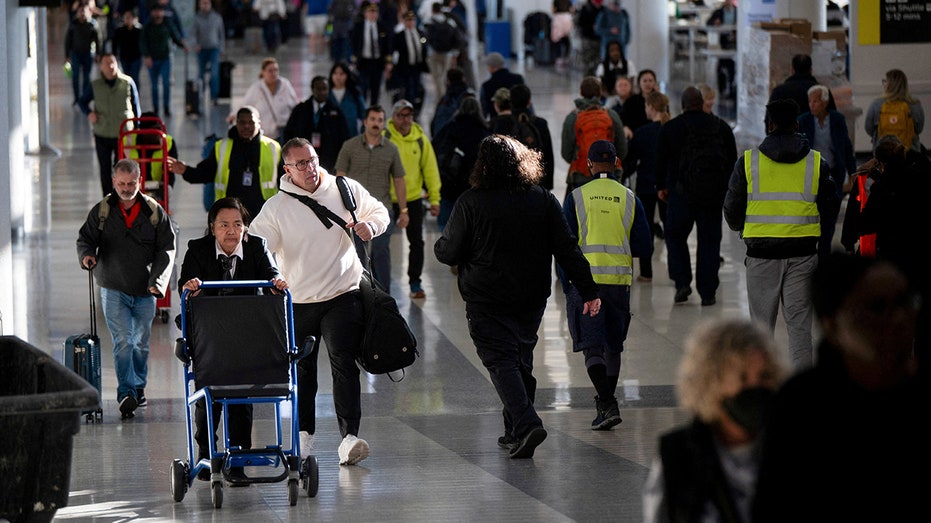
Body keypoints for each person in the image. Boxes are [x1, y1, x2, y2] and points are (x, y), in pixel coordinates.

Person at [434, 135, 601, 459]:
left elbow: (449, 252)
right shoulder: (541, 198)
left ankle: (526, 424)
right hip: (531, 296)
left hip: (486, 297)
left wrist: (442, 246)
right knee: (520, 357)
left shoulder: (471, 201)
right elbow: (566, 247)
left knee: (500, 360)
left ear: (482, 165)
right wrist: (589, 289)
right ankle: (513, 430)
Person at [752, 253, 930, 522]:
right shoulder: (800, 408)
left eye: (905, 303)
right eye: (877, 307)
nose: (898, 319)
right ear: (833, 323)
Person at [249, 137, 392, 466]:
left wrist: (371, 225)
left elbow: (379, 210)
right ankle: (304, 437)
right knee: (303, 371)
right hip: (298, 302)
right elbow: (257, 246)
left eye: (312, 159)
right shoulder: (276, 208)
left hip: (343, 294)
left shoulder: (343, 188)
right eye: (300, 164)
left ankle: (349, 438)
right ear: (287, 169)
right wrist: (269, 277)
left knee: (344, 365)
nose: (309, 168)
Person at [177, 197, 287, 481]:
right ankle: (205, 453)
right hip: (210, 338)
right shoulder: (198, 250)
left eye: (238, 224)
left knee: (242, 397)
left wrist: (276, 284)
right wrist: (191, 287)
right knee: (208, 397)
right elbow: (185, 284)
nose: (231, 231)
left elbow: (271, 274)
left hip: (245, 336)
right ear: (212, 228)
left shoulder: (257, 247)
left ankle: (238, 458)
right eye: (224, 225)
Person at [723, 98, 839, 369]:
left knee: (761, 328)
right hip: (803, 254)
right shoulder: (815, 162)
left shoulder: (749, 162)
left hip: (762, 255)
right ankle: (805, 391)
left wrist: (743, 228)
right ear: (797, 124)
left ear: (769, 125)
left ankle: (762, 387)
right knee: (800, 326)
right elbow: (831, 205)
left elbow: (731, 207)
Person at [642, 318, 787, 523]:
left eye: (764, 376)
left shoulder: (793, 448)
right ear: (712, 383)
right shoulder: (678, 456)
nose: (755, 388)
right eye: (742, 378)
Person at [560, 140, 651, 430]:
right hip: (618, 284)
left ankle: (607, 402)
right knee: (613, 347)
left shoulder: (576, 197)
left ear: (588, 165)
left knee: (592, 347)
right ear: (616, 164)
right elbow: (644, 245)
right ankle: (608, 403)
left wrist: (566, 284)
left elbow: (565, 247)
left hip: (586, 285)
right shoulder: (629, 198)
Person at [76, 158, 177, 420]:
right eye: (121, 183)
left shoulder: (154, 212)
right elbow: (85, 239)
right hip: (113, 288)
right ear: (113, 182)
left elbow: (167, 248)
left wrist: (158, 281)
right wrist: (87, 255)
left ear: (139, 181)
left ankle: (139, 386)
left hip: (145, 290)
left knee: (141, 344)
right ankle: (126, 392)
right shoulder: (102, 211)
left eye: (131, 183)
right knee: (123, 342)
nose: (126, 188)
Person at [655, 86, 736, 306]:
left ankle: (682, 283)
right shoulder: (721, 127)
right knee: (710, 241)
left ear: (681, 105)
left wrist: (662, 187)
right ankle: (708, 292)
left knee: (675, 237)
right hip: (712, 196)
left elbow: (660, 162)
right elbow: (732, 162)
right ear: (702, 103)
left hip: (680, 195)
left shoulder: (671, 128)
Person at [858, 135, 931, 373]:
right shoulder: (921, 175)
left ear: (881, 163)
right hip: (920, 259)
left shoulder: (883, 187)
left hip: (892, 263)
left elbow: (866, 224)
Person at [334, 106, 409, 291]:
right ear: (365, 122)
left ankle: (384, 296)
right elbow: (339, 177)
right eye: (373, 119)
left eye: (380, 120)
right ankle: (359, 292)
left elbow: (399, 180)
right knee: (355, 255)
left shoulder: (391, 149)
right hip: (354, 212)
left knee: (381, 253)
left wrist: (404, 210)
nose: (376, 123)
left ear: (384, 124)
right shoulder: (349, 146)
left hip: (381, 210)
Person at [168, 106, 283, 220]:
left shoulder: (273, 148)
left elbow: (284, 179)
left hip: (263, 213)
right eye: (242, 122)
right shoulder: (222, 146)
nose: (246, 126)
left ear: (259, 123)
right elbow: (206, 172)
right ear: (236, 123)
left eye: (251, 122)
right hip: (229, 213)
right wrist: (186, 170)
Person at [385, 99, 441, 299]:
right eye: (401, 115)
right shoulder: (386, 138)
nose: (405, 120)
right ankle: (380, 283)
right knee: (381, 244)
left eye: (408, 115)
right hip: (388, 199)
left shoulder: (420, 139)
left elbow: (430, 170)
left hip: (414, 198)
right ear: (394, 117)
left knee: (416, 242)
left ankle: (415, 282)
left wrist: (435, 199)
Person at [798, 84, 856, 259]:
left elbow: (846, 147)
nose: (812, 105)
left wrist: (852, 171)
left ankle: (824, 250)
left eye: (816, 100)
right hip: (811, 173)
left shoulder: (837, 120)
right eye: (810, 101)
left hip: (832, 172)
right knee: (812, 212)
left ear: (824, 102)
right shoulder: (804, 121)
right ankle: (812, 249)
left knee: (831, 213)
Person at [78, 53, 142, 197]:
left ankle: (123, 196)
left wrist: (137, 129)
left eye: (113, 62)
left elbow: (136, 107)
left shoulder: (127, 82)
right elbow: (82, 101)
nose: (111, 66)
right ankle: (108, 199)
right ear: (101, 66)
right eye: (107, 63)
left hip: (124, 133)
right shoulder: (95, 85)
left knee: (124, 169)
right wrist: (89, 113)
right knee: (105, 168)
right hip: (103, 132)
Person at [623, 91, 670, 281]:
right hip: (667, 185)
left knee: (646, 228)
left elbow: (631, 161)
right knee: (671, 228)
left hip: (646, 185)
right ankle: (676, 272)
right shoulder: (670, 129)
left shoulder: (642, 132)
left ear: (650, 107)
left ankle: (646, 272)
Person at [432, 95, 490, 231]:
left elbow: (432, 151)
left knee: (446, 229)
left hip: (448, 187)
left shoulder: (448, 129)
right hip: (475, 190)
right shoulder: (485, 132)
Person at [560, 75, 627, 193]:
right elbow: (622, 149)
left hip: (580, 176)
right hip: (610, 176)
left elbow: (566, 153)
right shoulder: (611, 115)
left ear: (581, 92)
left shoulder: (573, 118)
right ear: (600, 93)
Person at [492, 83, 556, 191]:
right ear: (529, 102)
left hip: (510, 185)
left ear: (511, 102)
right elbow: (548, 155)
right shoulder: (540, 123)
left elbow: (496, 155)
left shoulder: (503, 124)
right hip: (537, 183)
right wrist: (547, 186)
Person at [282, 75, 351, 173]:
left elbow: (344, 137)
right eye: (318, 89)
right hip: (302, 160)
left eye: (324, 89)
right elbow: (288, 133)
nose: (322, 92)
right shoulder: (300, 109)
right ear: (312, 89)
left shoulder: (336, 112)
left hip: (328, 160)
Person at [228, 57, 299, 143]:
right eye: (270, 71)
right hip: (264, 133)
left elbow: (295, 106)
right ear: (263, 72)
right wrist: (234, 115)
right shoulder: (257, 88)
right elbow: (245, 104)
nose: (274, 73)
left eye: (276, 70)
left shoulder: (285, 85)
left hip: (282, 131)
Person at [140, 3, 188, 117]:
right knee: (154, 86)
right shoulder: (147, 25)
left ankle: (166, 107)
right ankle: (156, 108)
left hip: (165, 59)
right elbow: (143, 42)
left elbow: (175, 36)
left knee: (166, 84)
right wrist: (146, 56)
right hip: (152, 60)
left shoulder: (167, 23)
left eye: (160, 11)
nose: (158, 14)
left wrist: (183, 45)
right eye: (155, 11)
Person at [863, 68, 925, 153]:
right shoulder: (914, 103)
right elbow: (919, 128)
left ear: (889, 84)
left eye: (885, 81)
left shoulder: (877, 104)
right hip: (910, 152)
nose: (883, 84)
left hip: (883, 152)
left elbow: (868, 128)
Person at [350, 1, 393, 106]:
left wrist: (388, 62)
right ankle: (363, 108)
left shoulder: (382, 27)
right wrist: (353, 61)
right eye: (370, 12)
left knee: (376, 88)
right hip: (363, 62)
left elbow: (387, 45)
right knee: (363, 87)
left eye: (375, 12)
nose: (372, 15)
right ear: (365, 13)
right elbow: (353, 44)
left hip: (377, 62)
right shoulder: (359, 27)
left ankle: (373, 108)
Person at [768, 54, 836, 114]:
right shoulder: (822, 91)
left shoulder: (778, 92)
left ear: (792, 70)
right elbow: (833, 119)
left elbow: (769, 119)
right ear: (810, 70)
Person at [390, 10, 429, 114]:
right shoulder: (399, 36)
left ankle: (416, 108)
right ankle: (409, 109)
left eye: (412, 20)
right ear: (404, 22)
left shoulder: (420, 33)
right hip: (405, 67)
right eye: (408, 20)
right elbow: (393, 50)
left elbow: (424, 47)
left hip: (418, 66)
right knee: (408, 89)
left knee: (418, 89)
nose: (410, 23)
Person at [424, 2, 464, 99]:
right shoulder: (449, 21)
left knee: (436, 77)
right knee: (445, 76)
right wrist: (455, 53)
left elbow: (425, 38)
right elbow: (457, 37)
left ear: (432, 10)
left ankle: (440, 96)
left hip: (433, 54)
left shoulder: (429, 21)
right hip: (447, 53)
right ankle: (445, 95)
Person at [65, 5, 101, 107]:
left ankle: (84, 98)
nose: (82, 14)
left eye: (84, 11)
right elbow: (68, 41)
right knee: (75, 76)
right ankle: (76, 97)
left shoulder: (92, 25)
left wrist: (98, 53)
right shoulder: (73, 24)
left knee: (86, 77)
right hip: (75, 53)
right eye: (80, 11)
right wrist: (67, 55)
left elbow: (98, 40)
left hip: (88, 54)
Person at [191, 0, 226, 105]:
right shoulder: (196, 18)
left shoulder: (217, 18)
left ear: (210, 4)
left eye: (207, 3)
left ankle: (214, 97)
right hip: (202, 50)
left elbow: (221, 34)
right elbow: (192, 34)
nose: (205, 5)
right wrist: (195, 44)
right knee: (201, 74)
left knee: (214, 74)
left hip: (214, 49)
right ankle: (200, 95)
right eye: (203, 3)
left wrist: (222, 49)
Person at [478, 52, 525, 121]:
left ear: (491, 67)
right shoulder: (518, 79)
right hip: (518, 122)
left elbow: (483, 112)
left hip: (497, 125)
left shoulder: (486, 86)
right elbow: (526, 102)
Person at [706, 0, 737, 102]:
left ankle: (732, 89)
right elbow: (708, 22)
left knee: (732, 66)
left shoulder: (737, 12)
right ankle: (722, 90)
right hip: (724, 43)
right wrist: (715, 23)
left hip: (735, 43)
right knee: (722, 65)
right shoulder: (719, 12)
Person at [328, 61, 368, 137]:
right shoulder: (326, 94)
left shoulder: (354, 93)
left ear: (347, 75)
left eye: (341, 74)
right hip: (331, 136)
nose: (338, 77)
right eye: (335, 73)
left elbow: (364, 114)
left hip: (351, 135)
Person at [430, 67, 473, 135]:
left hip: (440, 139)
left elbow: (434, 124)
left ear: (448, 81)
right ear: (463, 79)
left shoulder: (444, 99)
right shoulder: (468, 98)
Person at [619, 69, 658, 139]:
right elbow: (622, 119)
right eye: (644, 81)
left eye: (650, 81)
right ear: (639, 83)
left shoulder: (660, 100)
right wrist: (625, 127)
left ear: (654, 83)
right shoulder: (631, 101)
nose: (647, 84)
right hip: (635, 137)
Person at [111, 8, 143, 89]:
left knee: (134, 78)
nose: (127, 20)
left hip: (136, 57)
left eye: (129, 17)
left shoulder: (139, 30)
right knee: (125, 77)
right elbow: (115, 43)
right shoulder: (120, 30)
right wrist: (114, 55)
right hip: (124, 57)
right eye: (126, 17)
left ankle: (135, 96)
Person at [576, 0, 605, 76]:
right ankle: (587, 80)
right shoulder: (586, 9)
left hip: (599, 39)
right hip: (588, 39)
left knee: (598, 61)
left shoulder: (603, 9)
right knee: (587, 61)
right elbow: (580, 23)